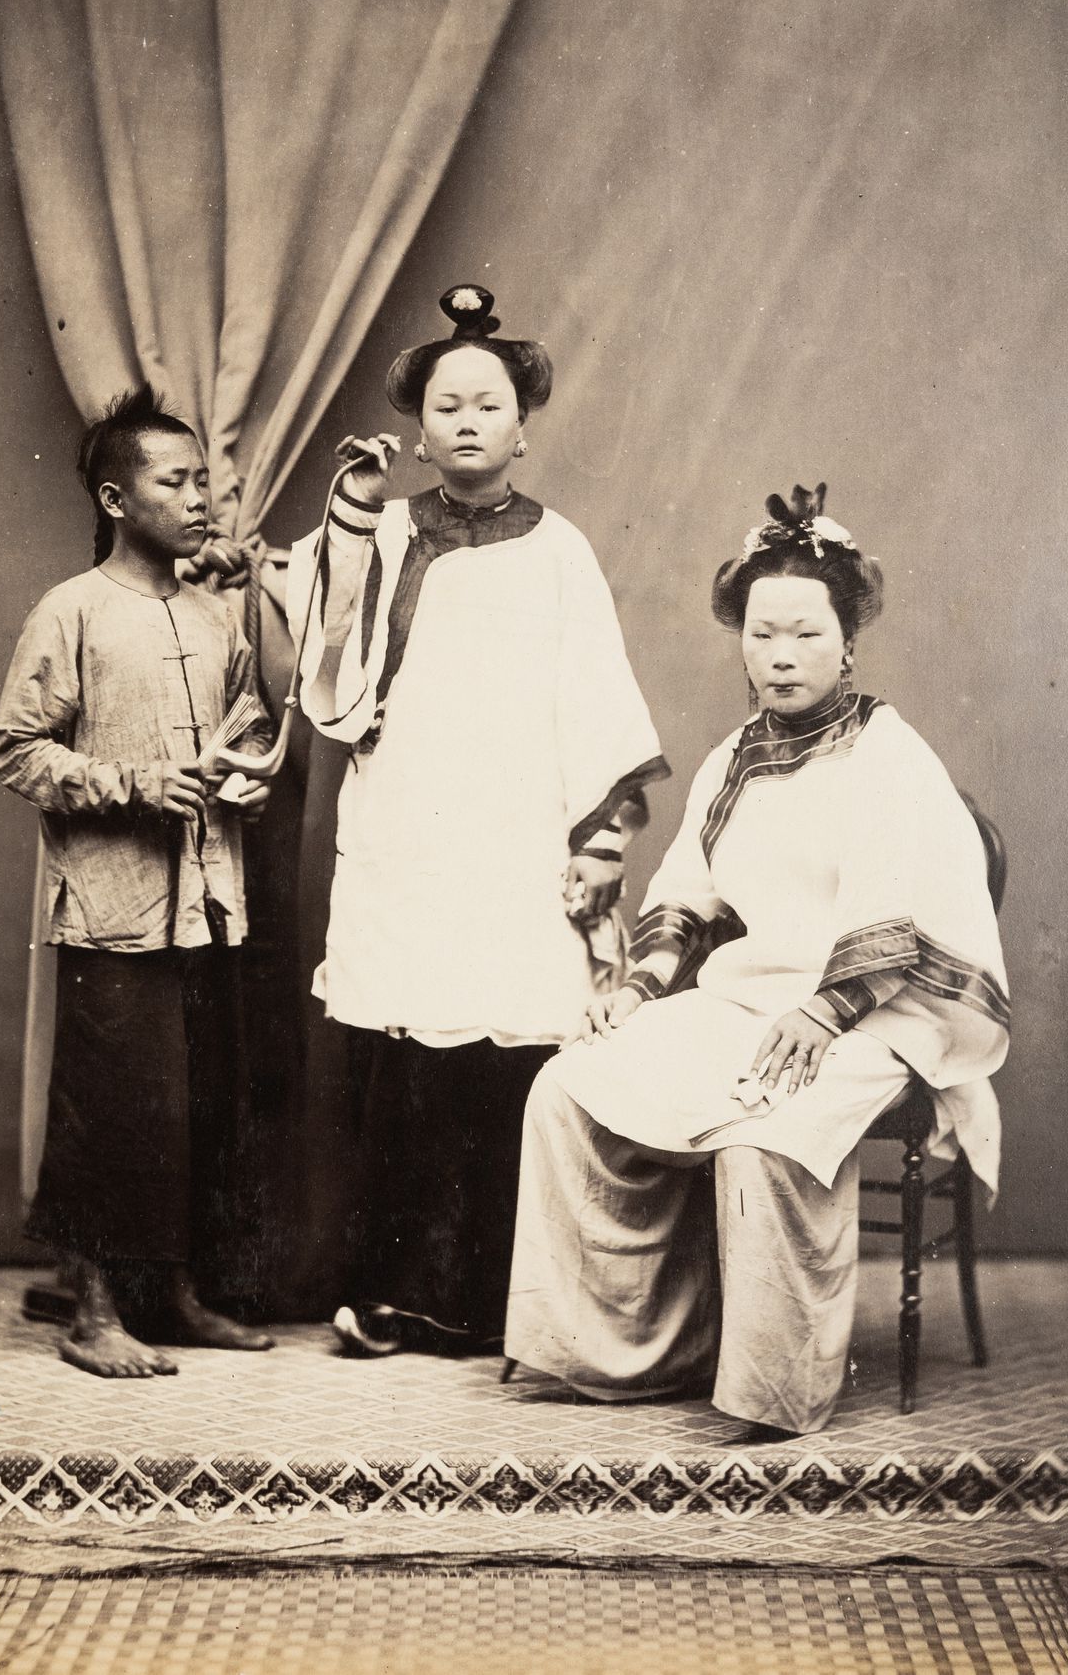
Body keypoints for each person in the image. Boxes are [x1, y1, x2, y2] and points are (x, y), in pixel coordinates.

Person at [504, 485, 1010, 1436]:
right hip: (748, 1000)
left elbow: (907, 910)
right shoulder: (733, 758)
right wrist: (642, 985)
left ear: (848, 641)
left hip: (872, 1012)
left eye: (807, 636)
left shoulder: (890, 755)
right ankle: (618, 1352)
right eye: (762, 633)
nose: (781, 656)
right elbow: (688, 892)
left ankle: (771, 1391)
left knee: (764, 1134)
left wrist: (822, 1013)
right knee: (567, 1089)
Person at [287, 284, 668, 1357]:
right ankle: (387, 1295)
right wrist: (355, 521)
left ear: (521, 426)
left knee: (505, 1062)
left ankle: (495, 1299)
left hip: (513, 835)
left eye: (486, 403)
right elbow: (335, 685)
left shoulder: (559, 550)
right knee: (404, 1064)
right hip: (410, 833)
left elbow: (594, 698)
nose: (464, 420)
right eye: (445, 404)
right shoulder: (389, 529)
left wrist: (600, 839)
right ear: (418, 427)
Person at [0, 387, 277, 1378]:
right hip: (109, 912)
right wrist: (135, 786)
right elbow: (16, 751)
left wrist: (242, 778)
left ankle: (178, 1296)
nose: (199, 498)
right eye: (175, 481)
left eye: (202, 479)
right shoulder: (70, 611)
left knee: (196, 1102)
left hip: (207, 906)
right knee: (108, 1108)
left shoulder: (212, 620)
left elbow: (243, 738)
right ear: (116, 499)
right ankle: (93, 1312)